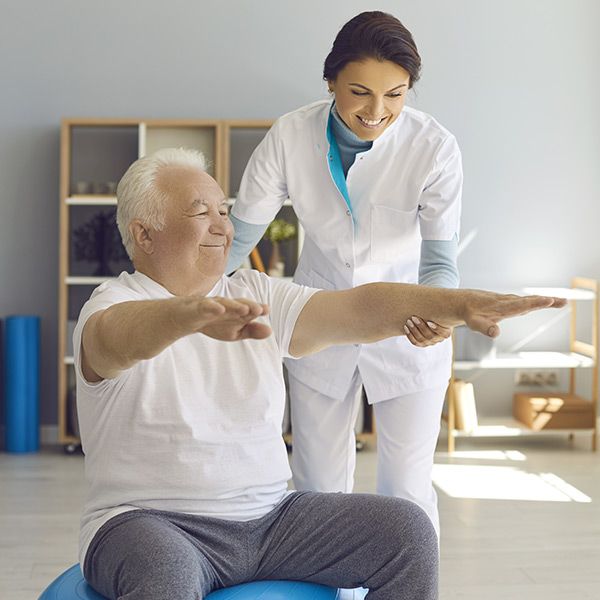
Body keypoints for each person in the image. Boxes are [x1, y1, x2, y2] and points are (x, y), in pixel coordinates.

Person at [74, 148, 564, 600]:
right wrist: (188, 315)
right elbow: (116, 339)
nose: (223, 226)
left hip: (271, 520)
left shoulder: (256, 291)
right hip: (150, 522)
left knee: (406, 532)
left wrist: (458, 303)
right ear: (144, 234)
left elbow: (359, 306)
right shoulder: (115, 303)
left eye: (224, 211)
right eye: (201, 213)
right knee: (165, 572)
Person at [227, 10, 463, 535]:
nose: (377, 111)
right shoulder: (290, 135)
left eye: (396, 95)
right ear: (330, 81)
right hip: (322, 321)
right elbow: (240, 236)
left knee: (407, 490)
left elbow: (440, 262)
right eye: (359, 92)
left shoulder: (434, 148)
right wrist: (180, 302)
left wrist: (441, 316)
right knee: (317, 486)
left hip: (409, 332)